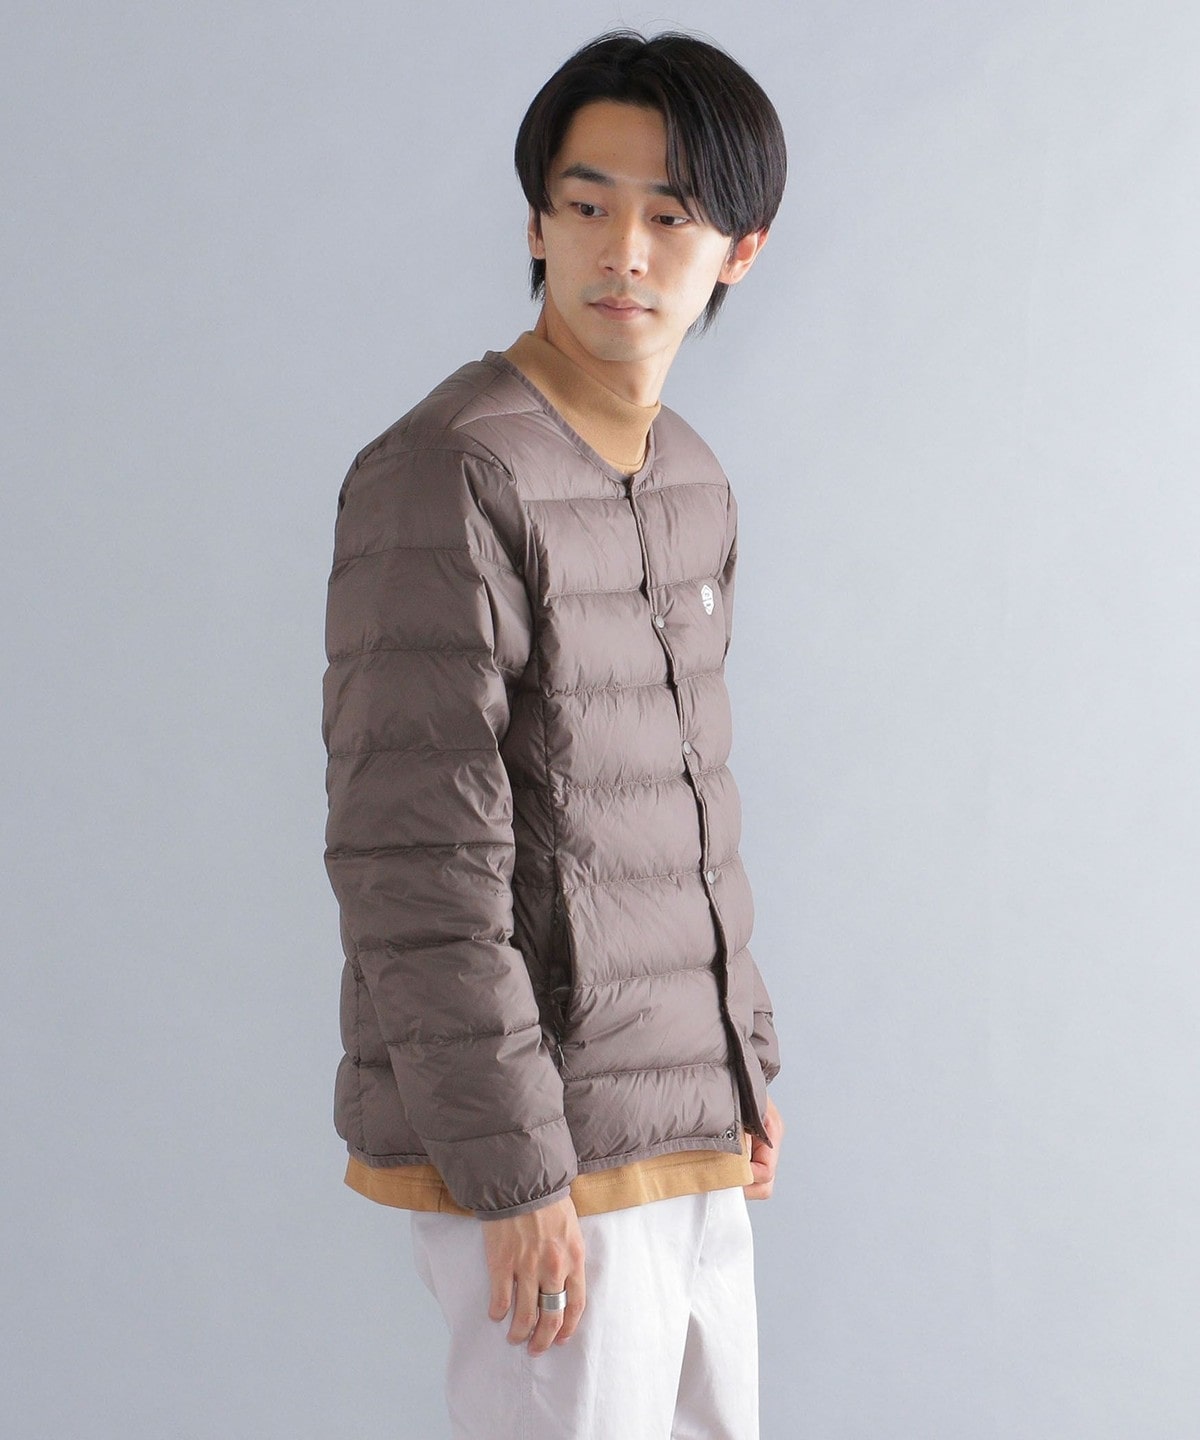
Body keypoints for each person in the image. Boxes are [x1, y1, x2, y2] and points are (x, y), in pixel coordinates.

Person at [321, 29, 787, 1440]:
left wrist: (743, 1062)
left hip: (687, 1136)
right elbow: (415, 858)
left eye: (670, 217)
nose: (622, 252)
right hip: (547, 1157)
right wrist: (516, 1172)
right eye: (587, 206)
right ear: (537, 224)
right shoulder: (452, 468)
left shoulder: (690, 475)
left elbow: (682, 806)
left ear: (739, 251)